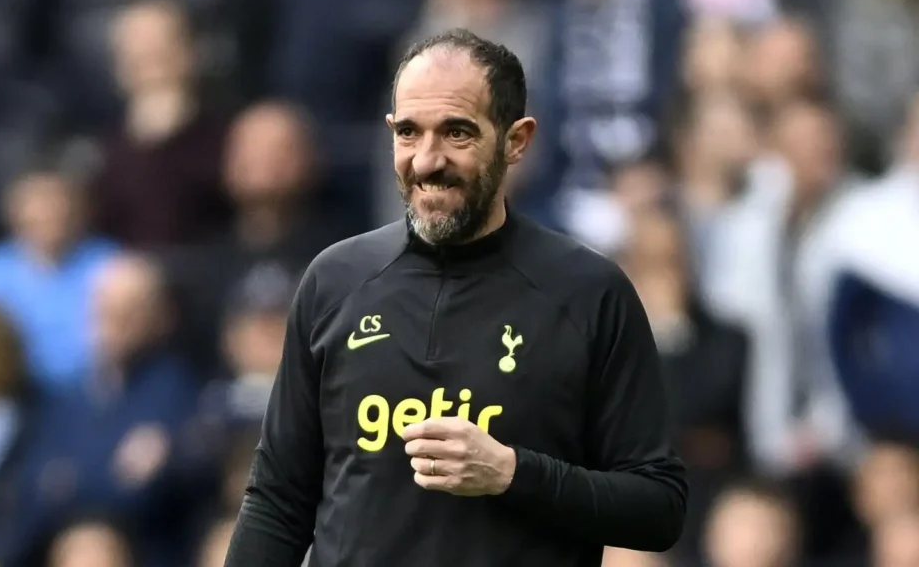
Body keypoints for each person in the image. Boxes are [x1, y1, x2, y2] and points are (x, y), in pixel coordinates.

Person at [225, 29, 687, 567]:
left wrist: (512, 473)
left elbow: (660, 508)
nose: (427, 160)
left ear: (517, 141)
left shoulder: (589, 294)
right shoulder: (334, 282)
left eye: (457, 133)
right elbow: (278, 502)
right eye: (408, 133)